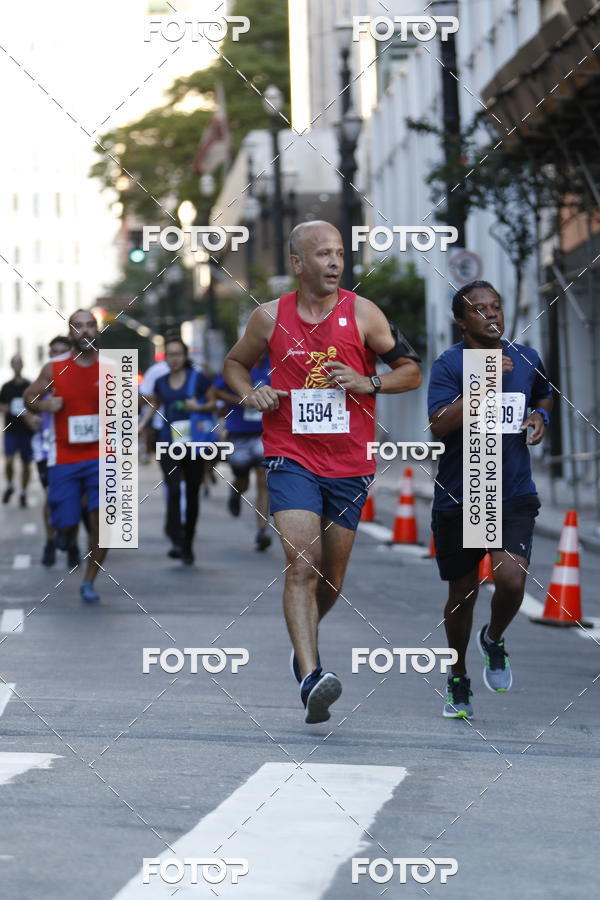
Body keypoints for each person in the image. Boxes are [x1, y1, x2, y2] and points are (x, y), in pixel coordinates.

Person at [223, 220, 421, 724]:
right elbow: (235, 364)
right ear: (297, 263)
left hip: (350, 461)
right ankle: (312, 676)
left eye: (338, 254)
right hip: (291, 455)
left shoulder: (364, 313)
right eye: (322, 254)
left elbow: (410, 370)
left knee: (331, 579)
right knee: (301, 565)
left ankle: (302, 642)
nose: (334, 263)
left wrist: (367, 381)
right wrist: (251, 392)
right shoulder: (269, 318)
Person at [428, 280, 553, 719]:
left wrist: (541, 416)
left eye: (495, 307)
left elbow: (542, 392)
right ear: (462, 322)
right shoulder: (449, 365)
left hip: (512, 491)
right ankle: (457, 675)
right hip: (463, 493)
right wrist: (482, 383)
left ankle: (494, 639)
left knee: (512, 581)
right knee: (462, 593)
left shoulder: (525, 358)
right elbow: (439, 425)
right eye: (479, 310)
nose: (491, 315)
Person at [24, 309, 107, 603]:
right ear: (70, 332)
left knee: (102, 526)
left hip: (101, 459)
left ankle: (88, 582)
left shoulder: (112, 368)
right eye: (78, 326)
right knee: (66, 520)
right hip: (65, 458)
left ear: (97, 329)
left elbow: (134, 402)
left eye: (90, 325)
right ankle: (63, 532)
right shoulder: (54, 367)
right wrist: (44, 407)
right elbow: (29, 397)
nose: (85, 331)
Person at [138, 337, 214, 566]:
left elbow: (213, 402)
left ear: (185, 355)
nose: (174, 359)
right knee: (172, 490)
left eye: (178, 354)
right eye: (170, 354)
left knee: (192, 493)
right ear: (165, 356)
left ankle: (188, 542)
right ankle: (176, 540)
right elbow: (154, 404)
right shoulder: (160, 381)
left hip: (193, 444)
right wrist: (141, 426)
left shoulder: (197, 378)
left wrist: (198, 406)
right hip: (168, 443)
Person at [211, 355, 272, 551]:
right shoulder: (237, 364)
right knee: (243, 481)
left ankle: (262, 530)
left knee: (263, 480)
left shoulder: (274, 362)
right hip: (239, 433)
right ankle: (236, 491)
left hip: (264, 432)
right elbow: (215, 391)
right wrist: (241, 400)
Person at [29, 335, 74, 567]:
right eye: (54, 352)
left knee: (77, 499)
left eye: (62, 352)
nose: (58, 356)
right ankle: (50, 541)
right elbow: (27, 404)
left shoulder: (77, 378)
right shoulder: (44, 380)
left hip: (74, 448)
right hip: (47, 450)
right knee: (52, 498)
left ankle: (72, 541)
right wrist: (35, 414)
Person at [0, 354, 34, 507]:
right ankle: (10, 485)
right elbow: (1, 405)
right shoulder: (6, 387)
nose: (17, 365)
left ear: (23, 365)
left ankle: (23, 492)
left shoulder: (29, 385)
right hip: (11, 429)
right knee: (8, 460)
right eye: (15, 363)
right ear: (11, 365)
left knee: (26, 464)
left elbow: (35, 404)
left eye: (19, 363)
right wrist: (4, 408)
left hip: (26, 431)